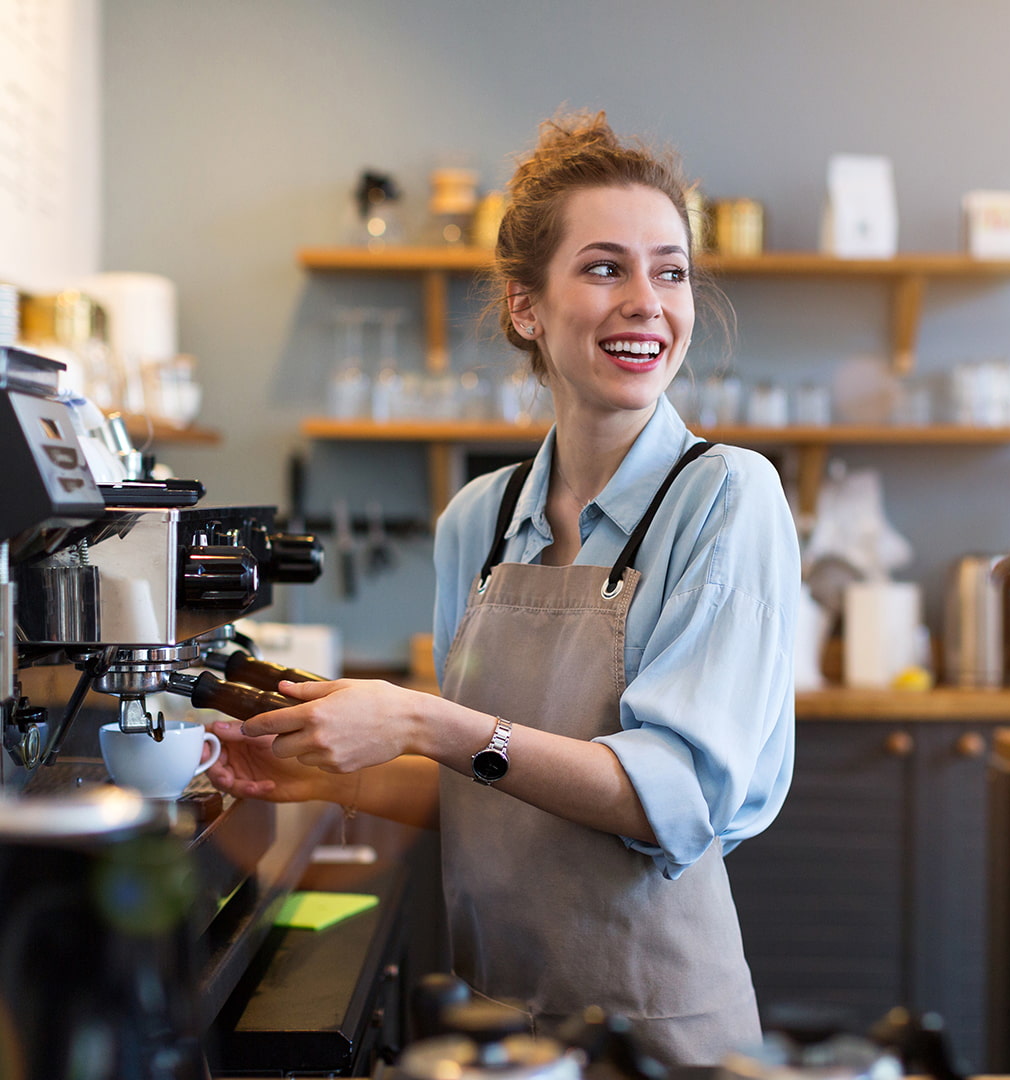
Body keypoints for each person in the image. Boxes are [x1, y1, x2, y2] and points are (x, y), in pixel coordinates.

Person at [207, 110, 800, 1067]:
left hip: (651, 1030)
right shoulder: (477, 519)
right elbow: (486, 790)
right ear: (526, 307)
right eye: (606, 267)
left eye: (671, 269)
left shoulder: (727, 497)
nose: (648, 300)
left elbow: (672, 800)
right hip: (492, 1022)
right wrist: (324, 773)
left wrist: (419, 721)